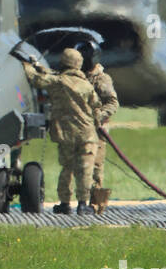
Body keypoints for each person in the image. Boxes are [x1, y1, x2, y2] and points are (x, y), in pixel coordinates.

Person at [23, 47, 100, 216]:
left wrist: (27, 65)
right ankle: (82, 205)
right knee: (85, 170)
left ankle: (65, 204)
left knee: (67, 169)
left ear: (63, 63)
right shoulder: (86, 85)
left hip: (65, 134)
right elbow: (96, 104)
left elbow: (37, 80)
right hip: (87, 134)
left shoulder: (58, 82)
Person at [82, 43, 118, 213]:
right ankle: (81, 201)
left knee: (95, 167)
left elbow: (112, 103)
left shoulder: (101, 79)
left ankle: (95, 204)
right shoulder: (80, 77)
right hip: (81, 129)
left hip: (97, 131)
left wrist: (98, 116)